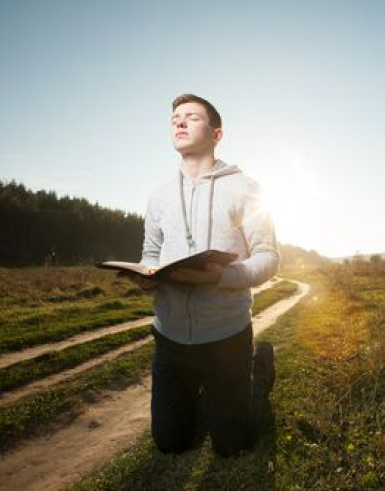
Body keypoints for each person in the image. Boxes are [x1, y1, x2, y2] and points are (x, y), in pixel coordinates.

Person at [125, 93, 280, 457]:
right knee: (170, 443)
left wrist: (218, 278)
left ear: (217, 134)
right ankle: (209, 397)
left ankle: (257, 374)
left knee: (231, 446)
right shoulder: (158, 198)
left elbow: (269, 258)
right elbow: (150, 253)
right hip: (170, 338)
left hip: (226, 336)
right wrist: (147, 275)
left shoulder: (246, 188)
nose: (179, 122)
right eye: (175, 117)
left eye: (191, 117)